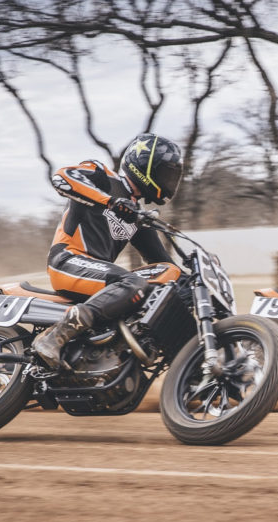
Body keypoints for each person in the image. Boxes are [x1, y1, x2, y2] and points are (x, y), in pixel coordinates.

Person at [32, 133, 184, 369]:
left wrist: (192, 281)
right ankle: (55, 336)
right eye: (165, 173)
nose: (169, 180)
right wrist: (111, 202)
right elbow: (62, 177)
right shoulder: (103, 177)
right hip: (67, 260)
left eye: (172, 175)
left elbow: (164, 266)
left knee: (158, 290)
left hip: (99, 279)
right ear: (145, 166)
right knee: (132, 283)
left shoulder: (137, 217)